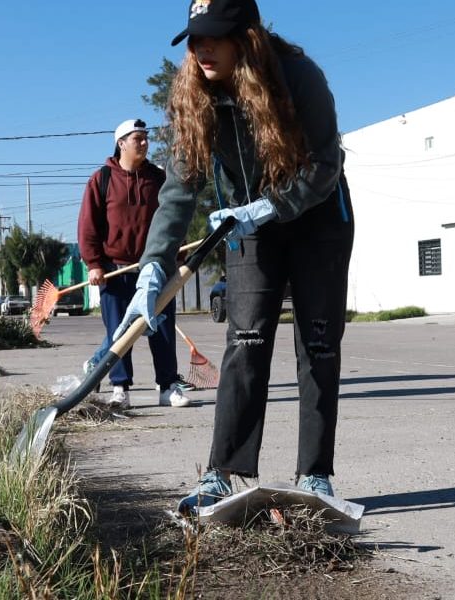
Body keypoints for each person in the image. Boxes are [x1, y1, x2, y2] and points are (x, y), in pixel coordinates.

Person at [120, 0, 354, 512]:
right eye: (195, 38)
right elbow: (178, 190)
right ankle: (223, 473)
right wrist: (153, 266)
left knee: (318, 344)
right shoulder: (195, 95)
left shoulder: (298, 77)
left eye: (215, 36)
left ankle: (315, 476)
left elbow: (324, 164)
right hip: (246, 226)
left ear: (245, 38)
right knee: (245, 342)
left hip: (317, 219)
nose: (202, 48)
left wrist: (268, 207)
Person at [78, 119, 192, 410]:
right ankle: (120, 388)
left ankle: (167, 386)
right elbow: (88, 225)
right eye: (137, 138)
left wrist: (179, 256)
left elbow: (174, 216)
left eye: (145, 138)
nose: (144, 143)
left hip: (157, 267)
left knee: (163, 330)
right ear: (121, 143)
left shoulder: (159, 177)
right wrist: (94, 264)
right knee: (119, 332)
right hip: (115, 270)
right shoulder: (101, 179)